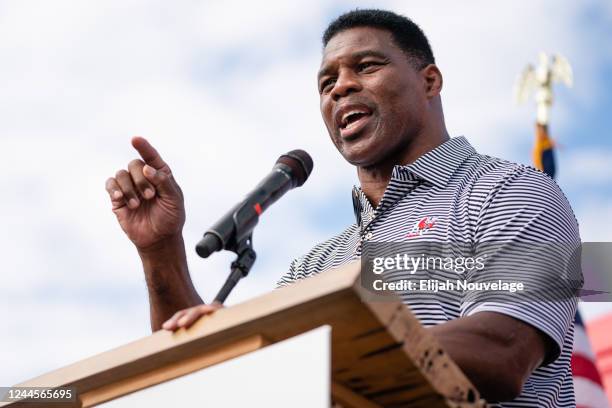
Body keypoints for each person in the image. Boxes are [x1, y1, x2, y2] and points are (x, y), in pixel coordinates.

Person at [105, 9, 580, 406]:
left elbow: (502, 351)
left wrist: (301, 353)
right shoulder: (316, 266)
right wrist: (161, 251)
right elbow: (211, 379)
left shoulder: (510, 192)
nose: (340, 87)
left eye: (367, 66)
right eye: (326, 81)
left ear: (429, 81)